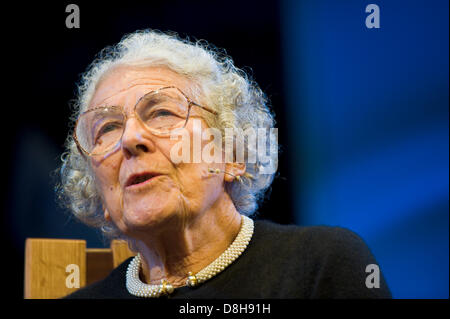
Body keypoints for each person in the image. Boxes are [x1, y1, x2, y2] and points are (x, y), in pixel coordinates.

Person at [57, 29, 391, 298]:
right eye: (108, 128)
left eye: (161, 113)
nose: (130, 139)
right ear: (100, 195)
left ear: (232, 154)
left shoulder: (321, 264)